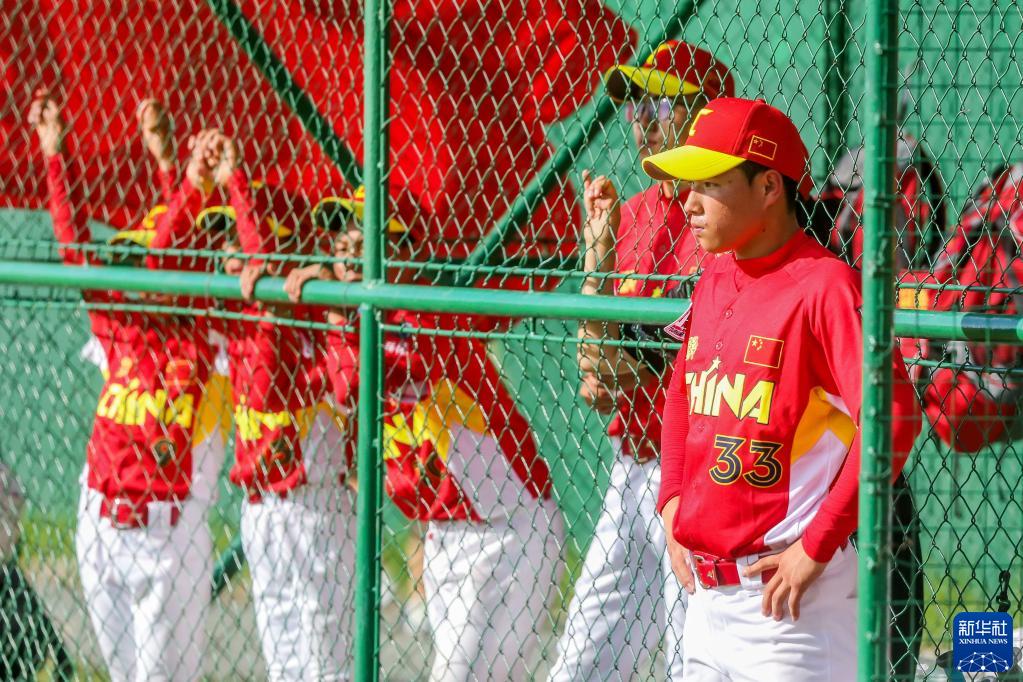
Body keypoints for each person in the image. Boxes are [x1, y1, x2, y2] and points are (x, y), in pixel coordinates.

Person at [644, 96, 922, 680]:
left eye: (709, 183)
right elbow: (682, 391)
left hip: (791, 611)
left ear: (770, 186)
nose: (688, 202)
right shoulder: (716, 273)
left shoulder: (825, 287)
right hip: (706, 604)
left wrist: (817, 544)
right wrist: (670, 500)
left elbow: (893, 417)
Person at [285, 189, 564, 682]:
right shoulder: (359, 322)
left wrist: (335, 313)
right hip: (441, 536)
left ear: (404, 249)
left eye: (363, 243)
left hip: (511, 530)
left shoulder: (428, 315)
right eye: (341, 245)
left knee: (461, 674)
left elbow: (355, 381)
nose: (346, 256)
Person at [548, 40, 732, 681]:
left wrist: (616, 355)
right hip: (633, 467)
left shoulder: (720, 219)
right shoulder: (633, 213)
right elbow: (594, 370)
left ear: (703, 112)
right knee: (579, 661)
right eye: (635, 106)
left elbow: (667, 366)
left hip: (700, 472)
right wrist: (597, 258)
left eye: (660, 104)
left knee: (692, 661)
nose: (641, 121)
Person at [29, 91, 229, 682]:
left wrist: (181, 177)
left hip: (164, 535)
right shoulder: (118, 325)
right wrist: (55, 155)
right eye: (127, 262)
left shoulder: (199, 335)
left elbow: (171, 250)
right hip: (98, 523)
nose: (135, 272)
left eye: (143, 261)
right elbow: (74, 244)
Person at [155, 134, 355, 681]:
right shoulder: (235, 316)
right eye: (224, 241)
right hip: (260, 507)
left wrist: (237, 181)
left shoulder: (308, 309)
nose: (230, 255)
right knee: (284, 664)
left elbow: (267, 276)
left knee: (326, 667)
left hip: (314, 503)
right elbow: (161, 263)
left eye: (240, 239)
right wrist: (189, 182)